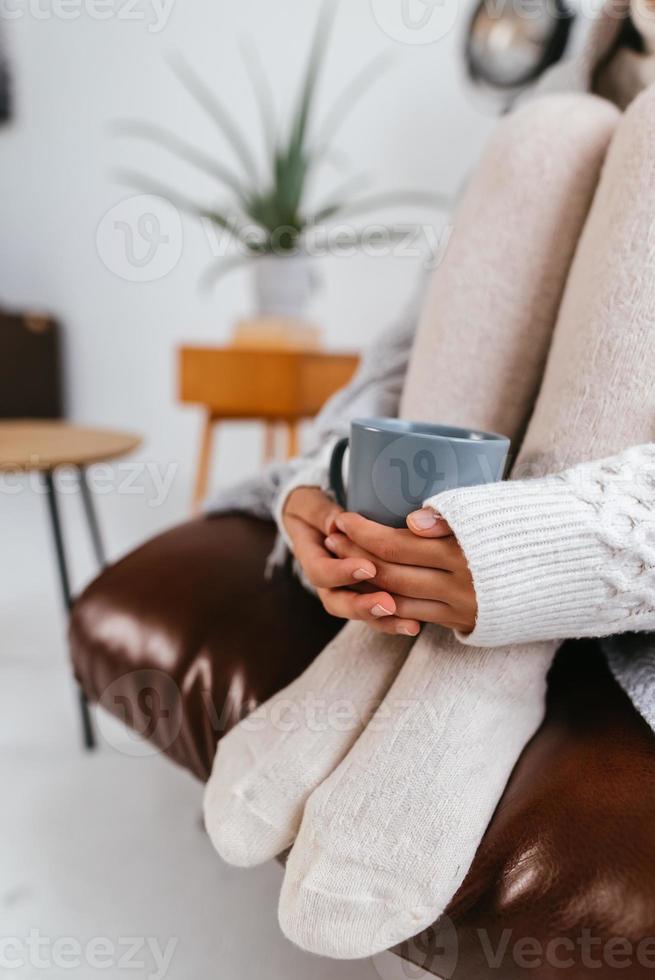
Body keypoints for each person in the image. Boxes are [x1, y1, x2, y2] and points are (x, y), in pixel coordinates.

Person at [204, 0, 655, 960]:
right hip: (431, 553)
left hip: (609, 578)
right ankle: (381, 644)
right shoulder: (578, 75)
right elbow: (407, 354)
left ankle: (477, 679)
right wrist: (334, 490)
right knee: (546, 133)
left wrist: (542, 557)